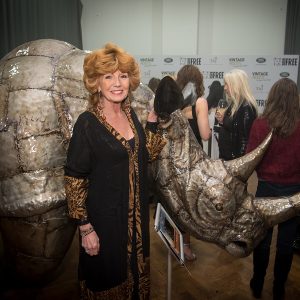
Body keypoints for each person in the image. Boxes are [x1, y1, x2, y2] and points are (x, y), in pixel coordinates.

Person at [64, 43, 166, 299]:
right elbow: (74, 178)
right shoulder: (87, 123)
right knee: (106, 281)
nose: (117, 82)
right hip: (104, 225)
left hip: (136, 225)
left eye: (122, 75)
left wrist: (152, 123)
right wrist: (85, 228)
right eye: (108, 76)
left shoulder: (132, 116)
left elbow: (145, 157)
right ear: (96, 83)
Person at [246, 78, 300, 300]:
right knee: (286, 243)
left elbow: (251, 158)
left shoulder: (261, 124)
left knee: (262, 239)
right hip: (295, 191)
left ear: (272, 97)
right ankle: (279, 287)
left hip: (266, 188)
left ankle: (257, 283)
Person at [215, 69, 258, 160]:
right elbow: (233, 127)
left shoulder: (246, 107)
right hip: (228, 160)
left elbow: (245, 141)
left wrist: (239, 165)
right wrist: (223, 121)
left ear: (236, 85)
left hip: (235, 163)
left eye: (227, 84)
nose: (225, 88)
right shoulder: (234, 104)